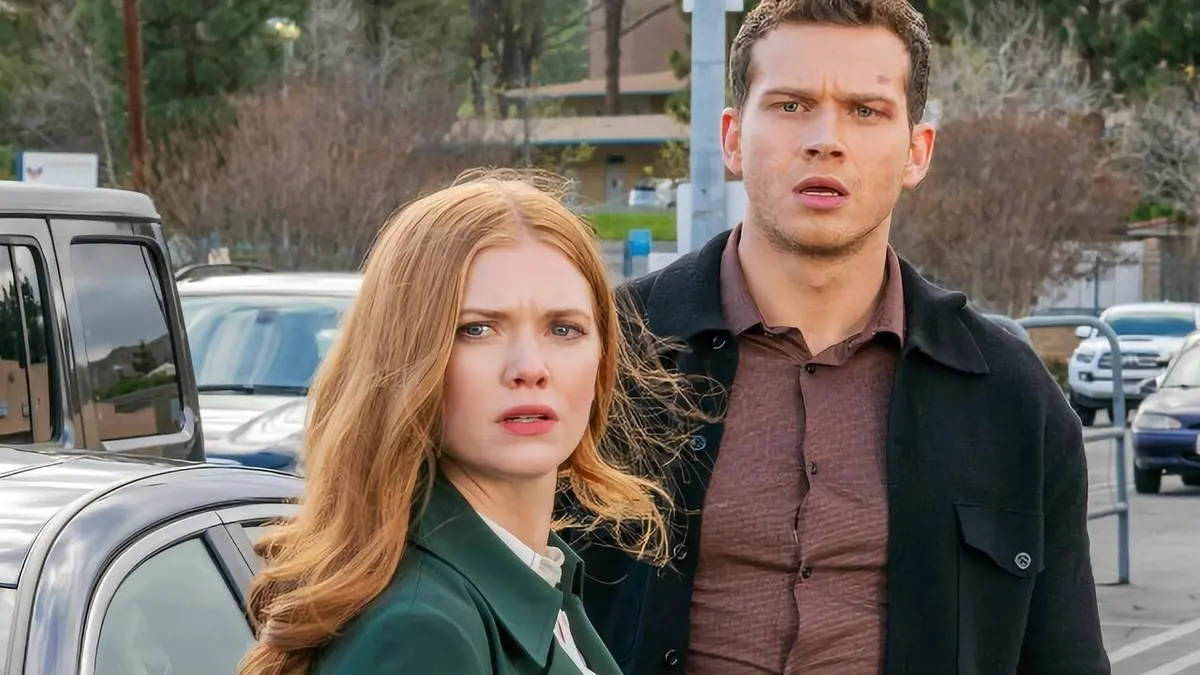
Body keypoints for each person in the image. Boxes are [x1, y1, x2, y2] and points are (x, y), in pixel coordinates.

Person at [568, 1, 1111, 674]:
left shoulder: (1011, 398)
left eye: (866, 110)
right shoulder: (609, 356)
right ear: (733, 139)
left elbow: (1065, 657)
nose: (826, 139)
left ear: (917, 152)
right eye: (792, 105)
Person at [237, 169, 699, 675]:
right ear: (404, 359)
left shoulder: (540, 574)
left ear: (603, 357)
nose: (530, 367)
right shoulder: (422, 629)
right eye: (477, 329)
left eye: (564, 329)